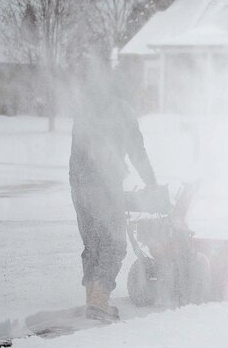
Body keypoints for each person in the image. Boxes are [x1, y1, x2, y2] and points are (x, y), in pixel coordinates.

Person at [69, 60, 157, 321]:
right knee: (115, 244)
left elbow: (82, 150)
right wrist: (151, 183)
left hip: (78, 185)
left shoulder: (84, 109)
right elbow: (137, 153)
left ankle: (91, 297)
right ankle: (99, 301)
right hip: (104, 185)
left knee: (93, 243)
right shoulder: (123, 111)